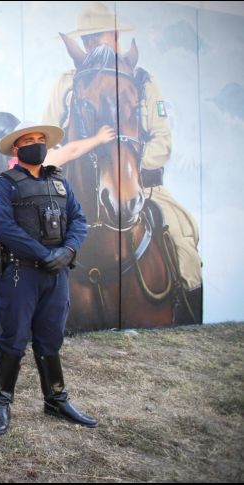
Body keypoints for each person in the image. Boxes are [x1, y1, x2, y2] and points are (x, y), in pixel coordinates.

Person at [43, 1, 202, 319]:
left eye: (100, 35)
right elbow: (49, 136)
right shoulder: (66, 83)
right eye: (87, 39)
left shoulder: (144, 81)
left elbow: (162, 140)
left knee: (184, 241)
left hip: (142, 184)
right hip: (79, 191)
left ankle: (189, 314)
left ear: (115, 36)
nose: (93, 44)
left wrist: (128, 168)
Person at [0, 121, 98, 435]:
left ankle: (56, 399)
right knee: (14, 338)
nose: (36, 143)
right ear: (16, 149)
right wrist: (43, 254)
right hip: (22, 273)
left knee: (50, 337)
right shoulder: (5, 184)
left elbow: (78, 219)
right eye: (28, 140)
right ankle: (1, 403)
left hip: (57, 273)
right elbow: (4, 227)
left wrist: (69, 250)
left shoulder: (60, 182)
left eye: (40, 139)